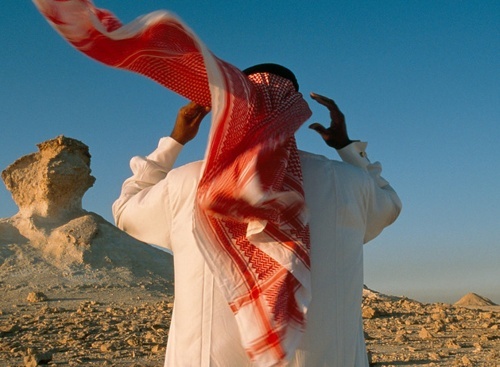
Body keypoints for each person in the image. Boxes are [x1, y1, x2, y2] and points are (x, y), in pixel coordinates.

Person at [112, 66, 401, 367]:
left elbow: (125, 210)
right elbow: (390, 204)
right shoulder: (348, 184)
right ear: (294, 113)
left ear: (233, 109)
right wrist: (348, 148)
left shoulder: (186, 182)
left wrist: (174, 141)